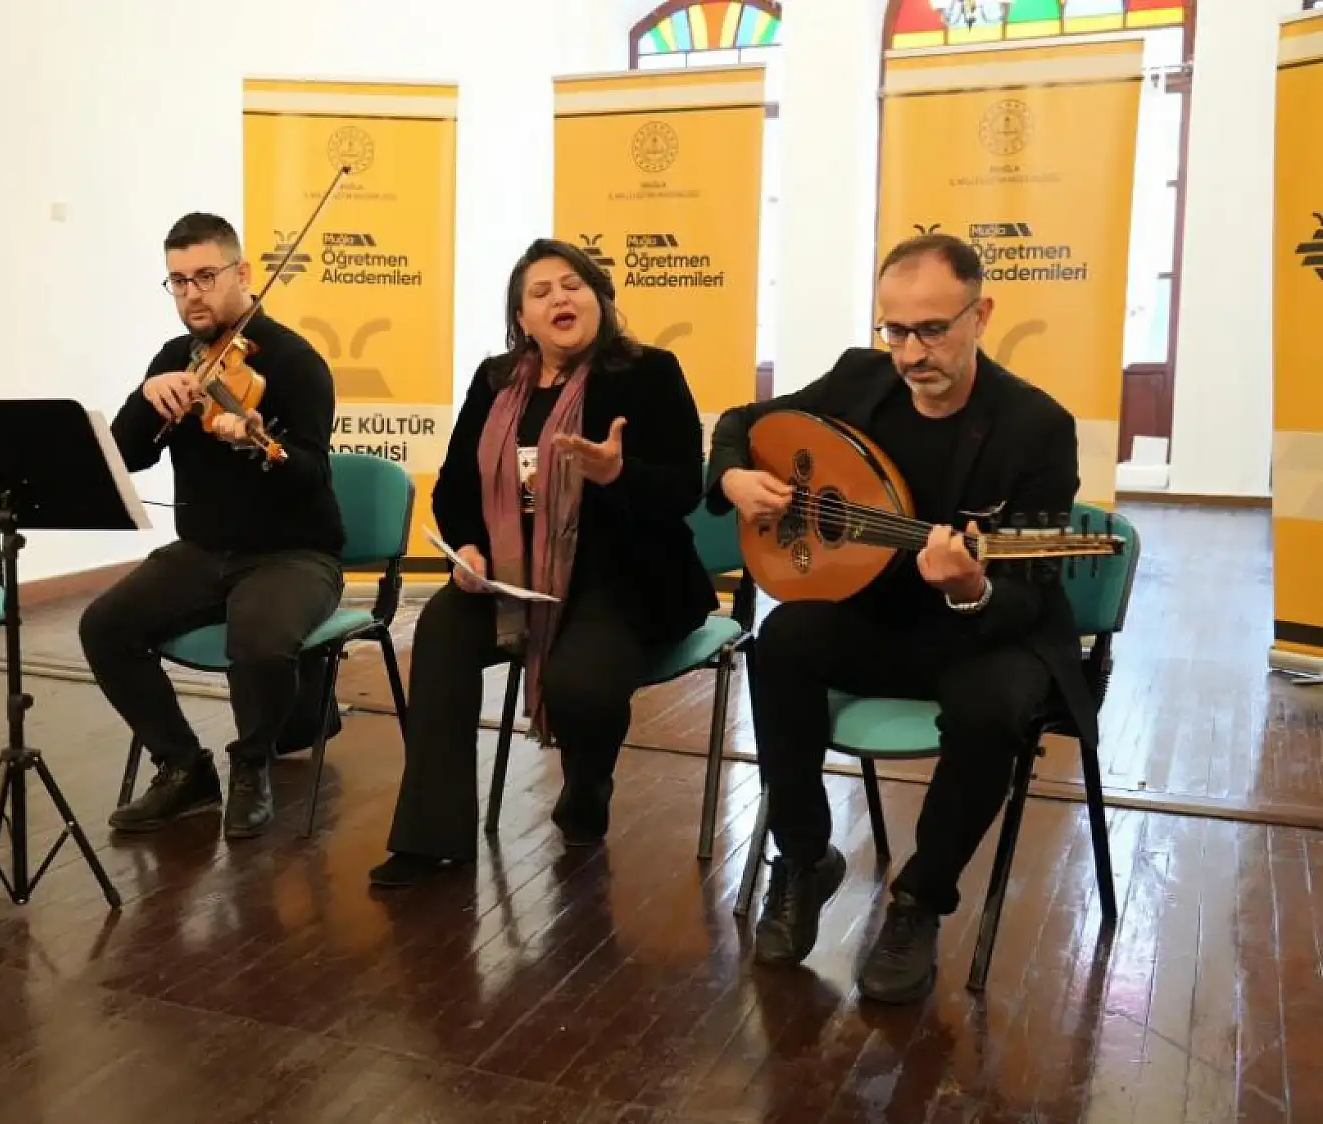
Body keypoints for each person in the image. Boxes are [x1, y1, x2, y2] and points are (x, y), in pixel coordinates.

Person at [706, 232, 1092, 1004]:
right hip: (877, 614)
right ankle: (806, 856)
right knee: (779, 642)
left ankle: (920, 898)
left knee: (991, 709)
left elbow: (1033, 583)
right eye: (896, 330)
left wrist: (968, 585)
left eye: (933, 330)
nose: (911, 353)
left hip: (987, 630)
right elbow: (741, 421)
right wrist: (735, 475)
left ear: (980, 314)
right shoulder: (860, 379)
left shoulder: (1035, 426)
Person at [367, 237, 717, 888]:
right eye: (541, 291)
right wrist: (468, 546)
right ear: (521, 319)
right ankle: (429, 838)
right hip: (511, 574)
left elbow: (682, 491)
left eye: (573, 285)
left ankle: (588, 780)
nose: (560, 297)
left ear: (601, 300)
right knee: (440, 631)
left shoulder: (649, 373)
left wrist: (618, 474)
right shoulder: (496, 381)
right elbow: (454, 486)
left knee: (579, 683)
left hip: (625, 576)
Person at [79, 212, 344, 839]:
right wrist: (148, 397)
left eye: (205, 276)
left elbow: (308, 472)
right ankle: (181, 765)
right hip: (204, 550)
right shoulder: (176, 359)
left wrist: (256, 444)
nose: (192, 293)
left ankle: (251, 765)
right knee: (104, 626)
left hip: (295, 553)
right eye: (178, 281)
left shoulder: (296, 362)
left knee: (255, 637)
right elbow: (127, 455)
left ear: (242, 273)